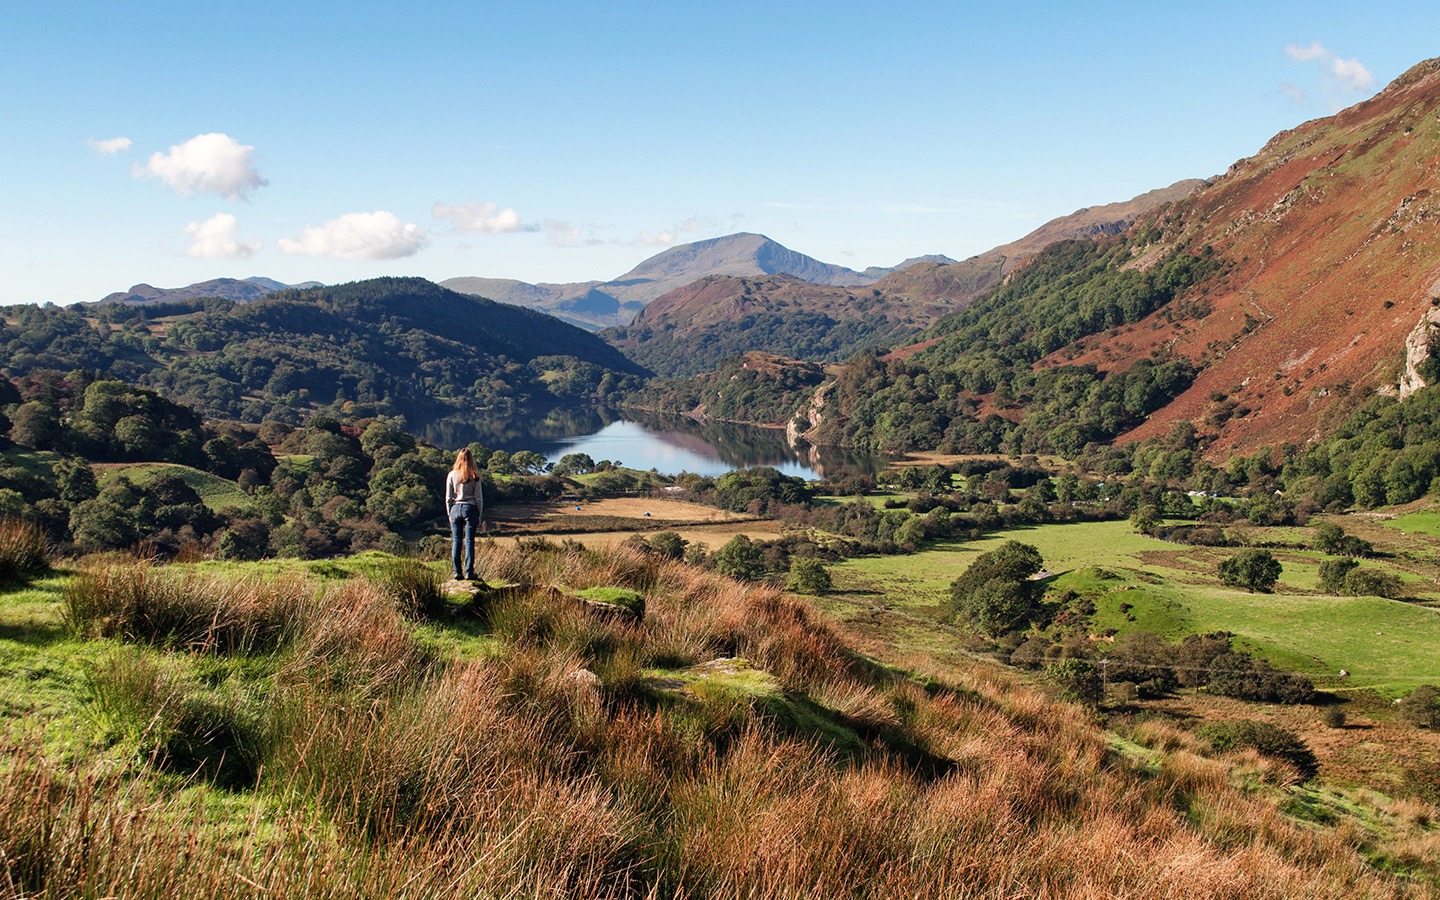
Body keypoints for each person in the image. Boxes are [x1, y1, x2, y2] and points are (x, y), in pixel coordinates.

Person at [444, 447, 484, 580]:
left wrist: (449, 513)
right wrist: (479, 514)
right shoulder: (475, 476)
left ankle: (457, 572)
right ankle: (469, 572)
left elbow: (448, 497)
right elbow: (479, 498)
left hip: (455, 508)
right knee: (469, 542)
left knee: (456, 541)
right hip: (470, 508)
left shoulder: (451, 475)